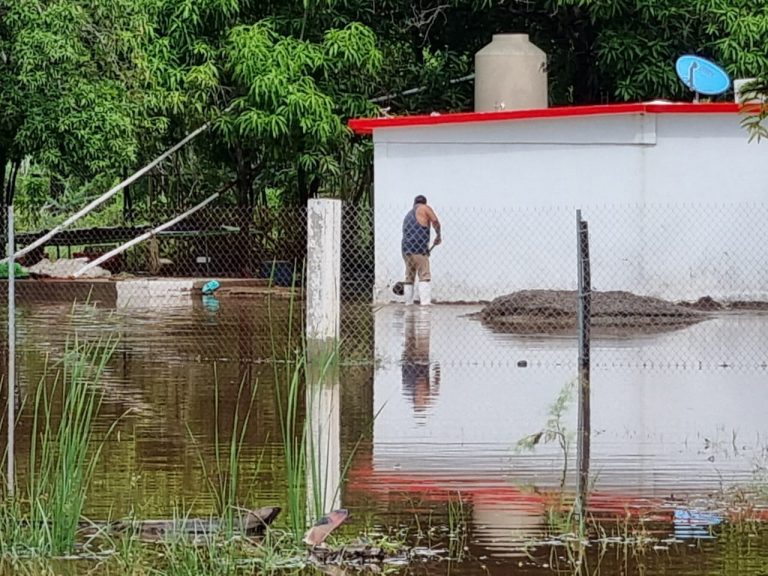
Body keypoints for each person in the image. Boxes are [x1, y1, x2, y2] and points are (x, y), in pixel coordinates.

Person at [401, 195, 441, 305]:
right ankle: (425, 304)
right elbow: (435, 221)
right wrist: (438, 235)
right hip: (418, 248)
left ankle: (408, 303)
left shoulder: (408, 214)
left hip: (405, 249)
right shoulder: (425, 208)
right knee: (424, 274)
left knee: (409, 276)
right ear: (424, 202)